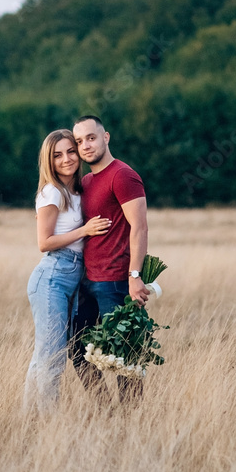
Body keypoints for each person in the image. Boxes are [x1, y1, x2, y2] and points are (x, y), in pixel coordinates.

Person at [24, 128, 111, 413]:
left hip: (73, 277)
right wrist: (84, 230)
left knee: (46, 354)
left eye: (70, 151)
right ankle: (46, 422)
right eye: (57, 155)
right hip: (53, 276)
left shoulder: (77, 191)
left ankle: (31, 419)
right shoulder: (51, 192)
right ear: (49, 161)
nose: (66, 159)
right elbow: (43, 242)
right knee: (51, 357)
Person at [70, 115, 149, 404]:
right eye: (79, 141)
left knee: (124, 354)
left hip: (115, 280)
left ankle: (130, 419)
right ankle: (105, 409)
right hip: (87, 280)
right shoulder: (87, 181)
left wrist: (135, 276)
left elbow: (139, 227)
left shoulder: (122, 175)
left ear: (106, 137)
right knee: (77, 348)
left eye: (91, 137)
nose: (85, 146)